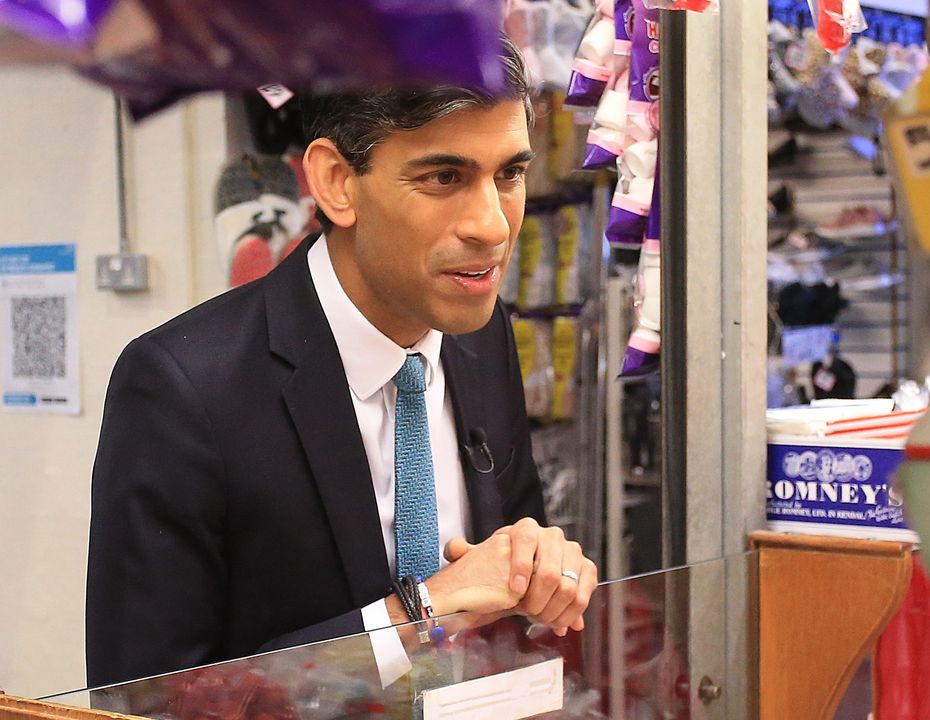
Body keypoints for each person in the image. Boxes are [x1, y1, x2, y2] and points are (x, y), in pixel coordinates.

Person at [86, 37, 597, 687]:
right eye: (445, 177)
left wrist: (539, 570)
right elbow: (142, 698)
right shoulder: (184, 388)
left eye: (510, 174)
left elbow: (503, 576)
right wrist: (416, 617)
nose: (493, 226)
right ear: (335, 182)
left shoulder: (481, 333)